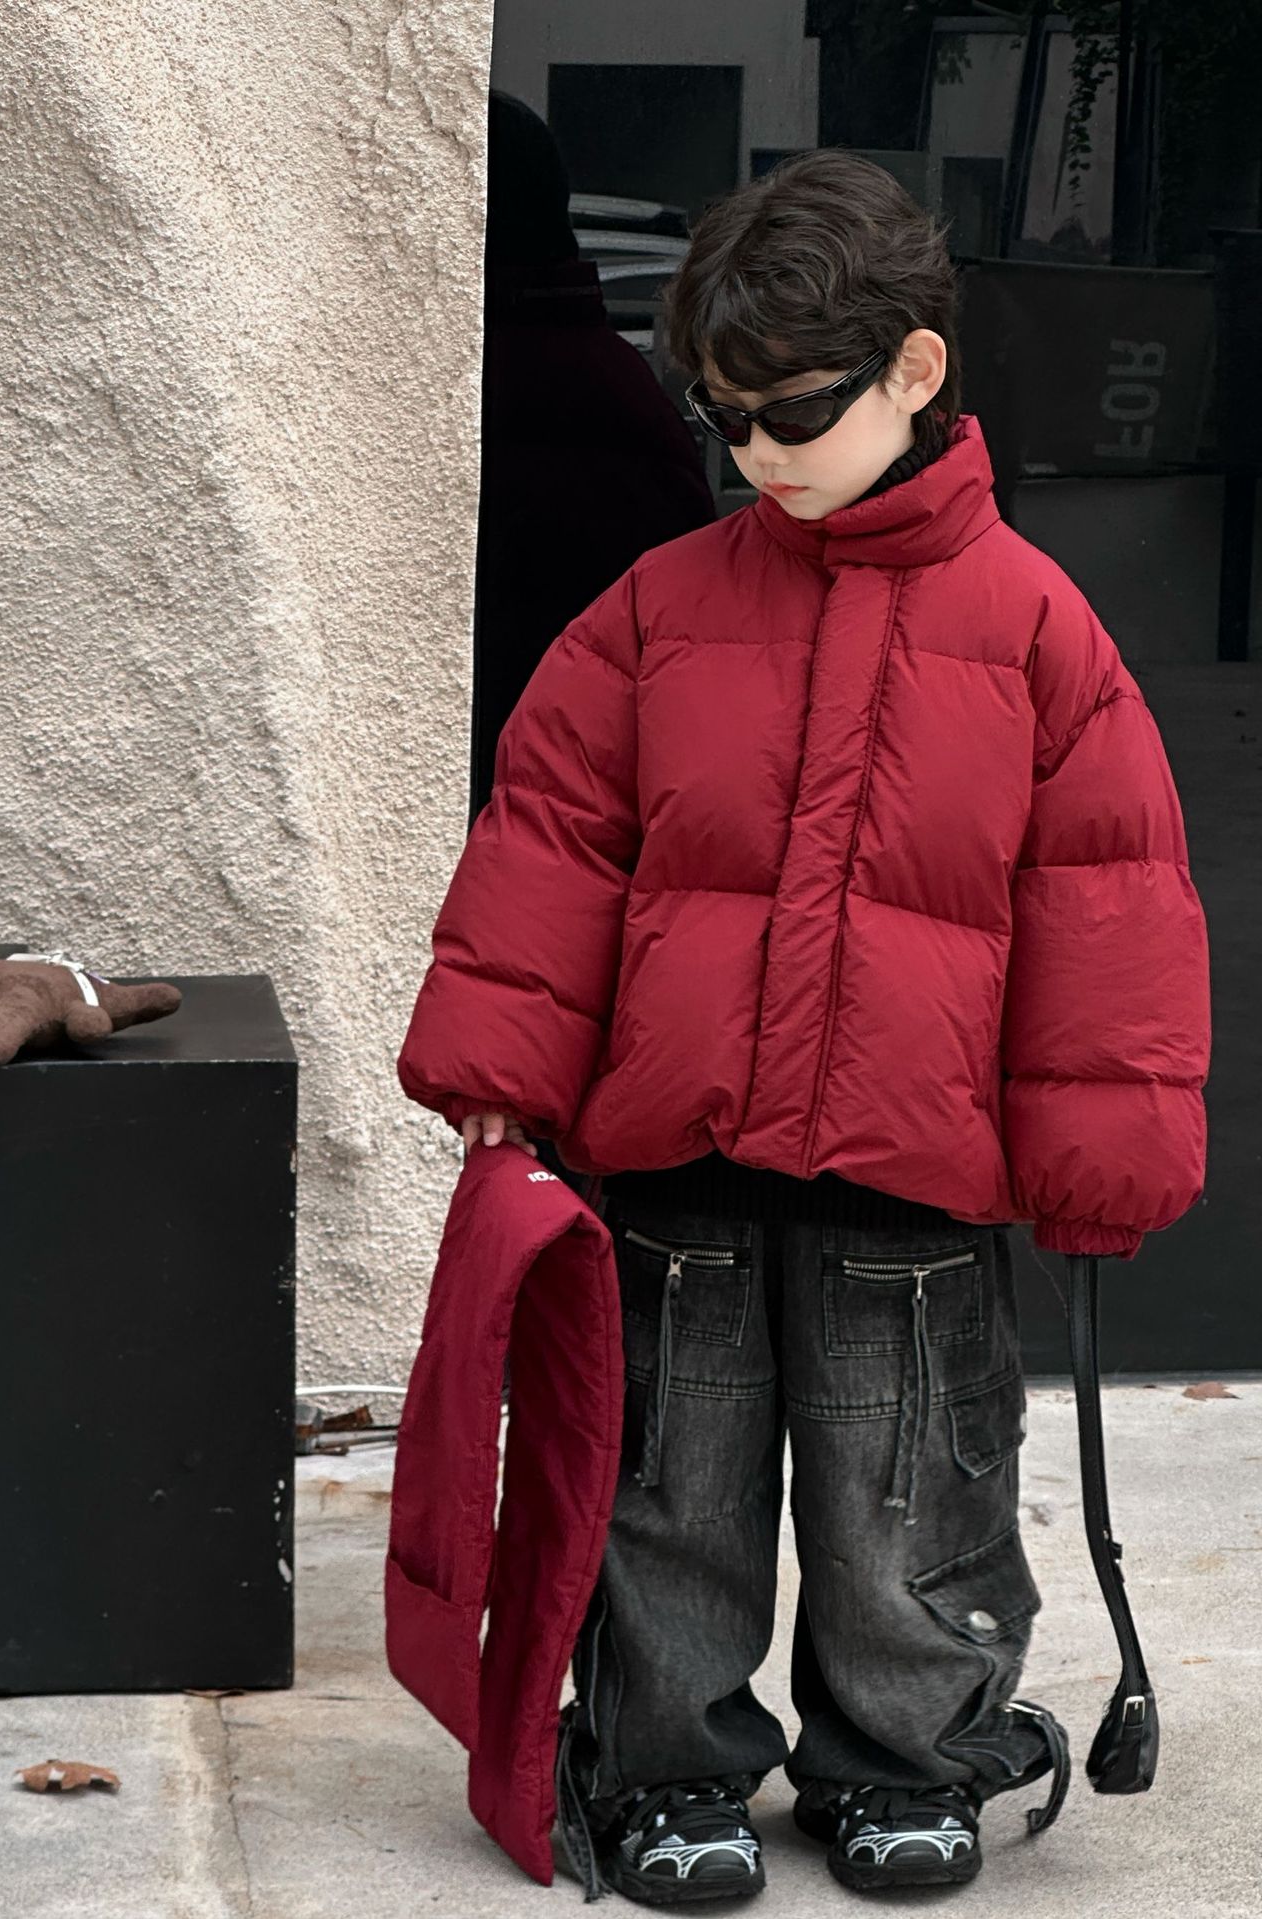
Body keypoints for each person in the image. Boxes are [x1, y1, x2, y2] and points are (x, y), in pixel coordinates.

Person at [395, 147, 1210, 1905]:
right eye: (725, 417)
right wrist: (500, 1064)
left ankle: (907, 1758)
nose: (756, 451)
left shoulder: (1037, 633)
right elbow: (556, 835)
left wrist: (1104, 1153)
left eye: (792, 411)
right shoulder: (659, 612)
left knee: (908, 1498)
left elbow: (1109, 900)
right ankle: (667, 1765)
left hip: (910, 1183)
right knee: (666, 1492)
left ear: (916, 370)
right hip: (676, 1165)